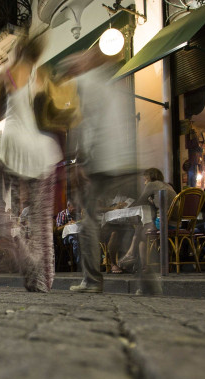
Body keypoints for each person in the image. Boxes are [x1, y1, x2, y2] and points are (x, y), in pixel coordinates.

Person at [59, 46, 140, 293]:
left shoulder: (84, 83)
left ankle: (93, 281)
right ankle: (145, 278)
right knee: (127, 219)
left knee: (88, 224)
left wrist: (79, 160)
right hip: (123, 159)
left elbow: (87, 124)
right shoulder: (111, 84)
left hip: (100, 162)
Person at [0, 33, 62, 292]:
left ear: (18, 49)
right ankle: (42, 280)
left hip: (12, 143)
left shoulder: (6, 73)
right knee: (41, 220)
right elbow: (47, 109)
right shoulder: (39, 75)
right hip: (38, 148)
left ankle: (23, 256)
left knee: (7, 211)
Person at [119, 168, 177, 271]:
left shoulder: (152, 185)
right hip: (176, 224)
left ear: (149, 178)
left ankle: (138, 260)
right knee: (141, 228)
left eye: (145, 180)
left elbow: (140, 201)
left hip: (164, 223)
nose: (145, 183)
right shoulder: (166, 185)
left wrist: (126, 205)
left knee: (141, 232)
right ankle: (135, 258)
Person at [56, 199, 82, 268]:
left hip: (78, 234)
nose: (75, 208)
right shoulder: (62, 214)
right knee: (75, 241)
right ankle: (79, 264)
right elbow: (58, 229)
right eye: (74, 207)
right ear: (68, 206)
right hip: (66, 237)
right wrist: (67, 224)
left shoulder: (77, 214)